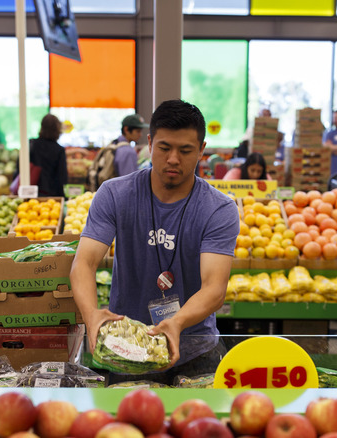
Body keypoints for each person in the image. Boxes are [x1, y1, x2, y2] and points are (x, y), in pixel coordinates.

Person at [70, 99, 239, 384]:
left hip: (196, 353)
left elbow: (215, 287)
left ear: (201, 150)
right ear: (149, 143)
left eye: (185, 150)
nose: (173, 158)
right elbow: (84, 263)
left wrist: (176, 323)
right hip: (126, 348)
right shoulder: (114, 194)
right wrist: (91, 315)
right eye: (164, 148)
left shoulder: (219, 208)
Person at [29, 114, 67, 197]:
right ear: (57, 129)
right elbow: (62, 177)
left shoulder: (31, 144)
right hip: (51, 195)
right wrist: (63, 196)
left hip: (31, 191)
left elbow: (19, 167)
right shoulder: (59, 150)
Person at [113, 114, 149, 178]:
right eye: (138, 131)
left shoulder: (114, 144)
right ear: (126, 130)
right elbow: (129, 181)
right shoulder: (128, 151)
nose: (140, 135)